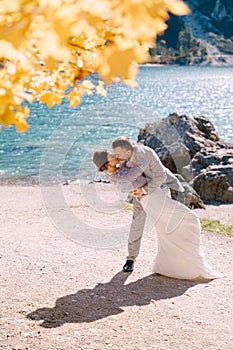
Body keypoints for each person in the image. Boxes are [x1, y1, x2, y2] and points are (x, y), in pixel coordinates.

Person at [93, 140, 223, 280]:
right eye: (113, 155)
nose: (115, 156)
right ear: (107, 164)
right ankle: (131, 259)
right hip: (141, 197)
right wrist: (133, 191)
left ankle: (172, 262)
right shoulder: (120, 166)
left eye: (116, 153)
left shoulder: (141, 153)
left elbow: (157, 175)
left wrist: (141, 189)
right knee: (137, 226)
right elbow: (126, 181)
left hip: (155, 191)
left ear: (127, 150)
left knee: (165, 226)